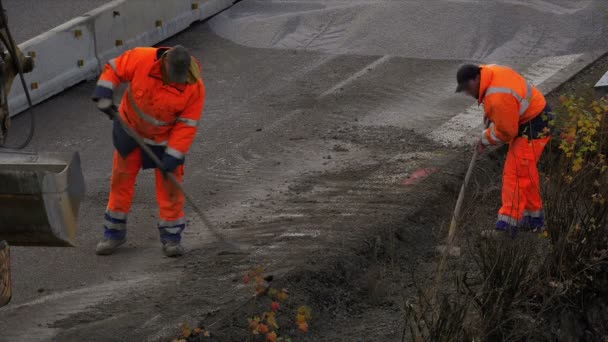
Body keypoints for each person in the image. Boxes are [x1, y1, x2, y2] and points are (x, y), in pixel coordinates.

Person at [92, 45, 205, 256]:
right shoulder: (141, 59)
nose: (176, 81)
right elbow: (114, 69)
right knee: (121, 181)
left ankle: (171, 238)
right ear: (165, 64)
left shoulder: (194, 86)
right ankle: (114, 233)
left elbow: (187, 125)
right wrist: (104, 92)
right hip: (130, 130)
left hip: (165, 141)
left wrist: (174, 154)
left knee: (170, 187)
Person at [455, 63, 552, 236]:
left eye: (467, 87)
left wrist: (485, 139)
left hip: (534, 125)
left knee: (515, 174)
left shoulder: (498, 97)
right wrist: (492, 118)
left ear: (476, 78)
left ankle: (507, 227)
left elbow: (507, 132)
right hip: (532, 116)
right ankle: (534, 220)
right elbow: (501, 112)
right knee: (526, 172)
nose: (467, 93)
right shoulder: (488, 72)